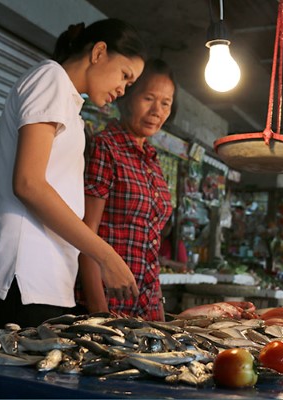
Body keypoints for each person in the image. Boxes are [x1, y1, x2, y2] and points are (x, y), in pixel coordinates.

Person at [0, 18, 146, 332]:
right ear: (99, 52)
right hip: (22, 283)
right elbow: (28, 184)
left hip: (44, 284)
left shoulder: (70, 105)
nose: (123, 89)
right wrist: (105, 256)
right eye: (125, 75)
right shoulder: (51, 79)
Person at [77, 59, 177, 321]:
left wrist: (160, 317)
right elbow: (86, 235)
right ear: (127, 97)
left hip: (147, 306)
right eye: (148, 98)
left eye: (165, 103)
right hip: (108, 303)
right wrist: (100, 315)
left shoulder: (152, 160)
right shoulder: (105, 148)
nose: (157, 111)